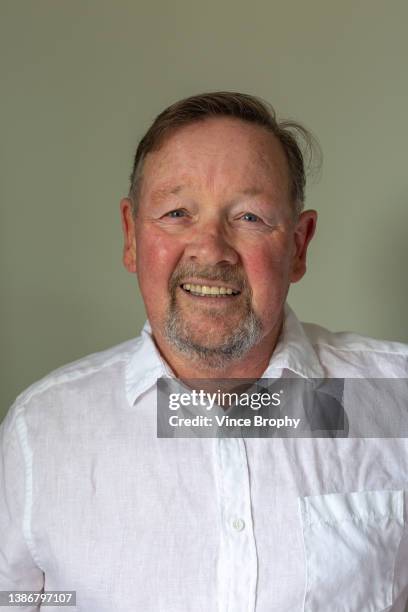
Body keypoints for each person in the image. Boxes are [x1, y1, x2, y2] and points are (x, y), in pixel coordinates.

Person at [1, 91, 408, 611]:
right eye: (176, 212)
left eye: (251, 218)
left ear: (299, 246)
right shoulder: (42, 430)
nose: (211, 249)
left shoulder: (393, 399)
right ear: (130, 235)